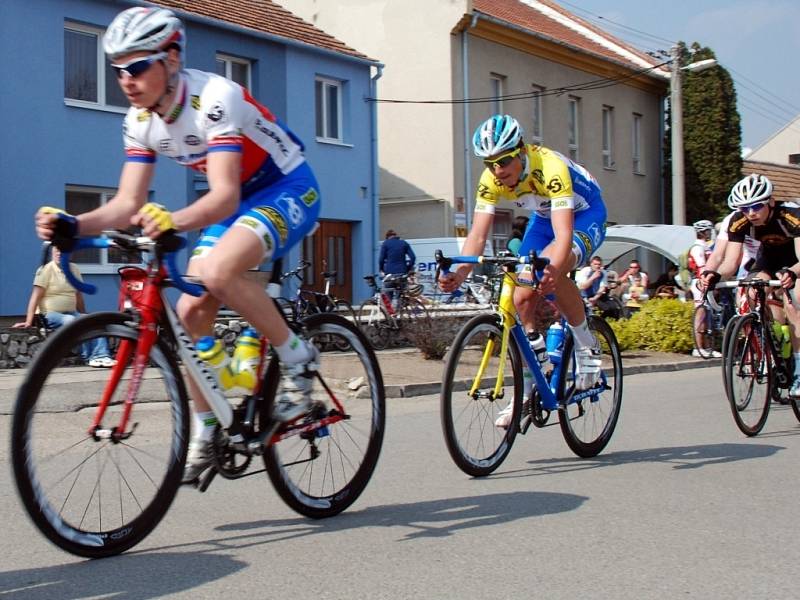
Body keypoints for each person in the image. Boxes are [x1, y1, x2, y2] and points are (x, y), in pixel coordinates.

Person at [33, 6, 321, 482]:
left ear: (170, 59)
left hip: (285, 186)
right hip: (237, 202)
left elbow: (224, 194)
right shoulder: (140, 120)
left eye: (137, 66)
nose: (125, 79)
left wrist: (173, 222)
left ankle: (297, 357)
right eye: (117, 69)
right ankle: (210, 427)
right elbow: (126, 202)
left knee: (214, 272)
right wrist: (74, 224)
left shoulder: (214, 98)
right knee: (188, 317)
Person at [438, 114, 606, 428]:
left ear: (521, 151)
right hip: (542, 219)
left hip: (584, 214)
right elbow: (477, 235)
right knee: (521, 295)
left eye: (503, 161)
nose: (497, 171)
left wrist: (552, 269)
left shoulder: (550, 167)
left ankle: (588, 346)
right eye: (489, 163)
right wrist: (460, 274)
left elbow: (564, 233)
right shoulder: (490, 180)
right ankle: (531, 380)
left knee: (554, 269)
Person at [700, 173, 800, 394]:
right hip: (767, 260)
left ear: (770, 202)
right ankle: (768, 339)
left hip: (795, 261)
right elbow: (731, 262)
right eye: (745, 209)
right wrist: (715, 275)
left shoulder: (791, 215)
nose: (751, 213)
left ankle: (799, 370)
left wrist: (791, 273)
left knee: (794, 301)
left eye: (756, 206)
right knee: (749, 291)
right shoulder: (739, 220)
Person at [13, 247, 116, 367]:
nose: (59, 253)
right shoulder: (45, 270)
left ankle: (102, 356)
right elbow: (35, 297)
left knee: (92, 321)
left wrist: (84, 315)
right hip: (50, 315)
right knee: (72, 321)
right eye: (56, 250)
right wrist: (28, 321)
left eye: (63, 250)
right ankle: (90, 357)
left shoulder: (74, 269)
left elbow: (78, 295)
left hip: (71, 312)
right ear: (52, 252)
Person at [687, 220, 721, 357]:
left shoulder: (706, 247)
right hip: (699, 282)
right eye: (708, 231)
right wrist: (705, 284)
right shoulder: (697, 247)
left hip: (705, 282)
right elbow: (702, 267)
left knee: (707, 316)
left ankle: (707, 347)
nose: (709, 234)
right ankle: (698, 347)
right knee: (700, 315)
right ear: (703, 232)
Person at [379, 229, 416, 304]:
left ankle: (390, 315)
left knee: (388, 297)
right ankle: (400, 313)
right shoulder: (404, 243)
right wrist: (408, 268)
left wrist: (382, 269)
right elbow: (413, 257)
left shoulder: (385, 244)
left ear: (387, 237)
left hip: (389, 274)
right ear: (396, 236)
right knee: (401, 296)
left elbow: (381, 259)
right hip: (402, 273)